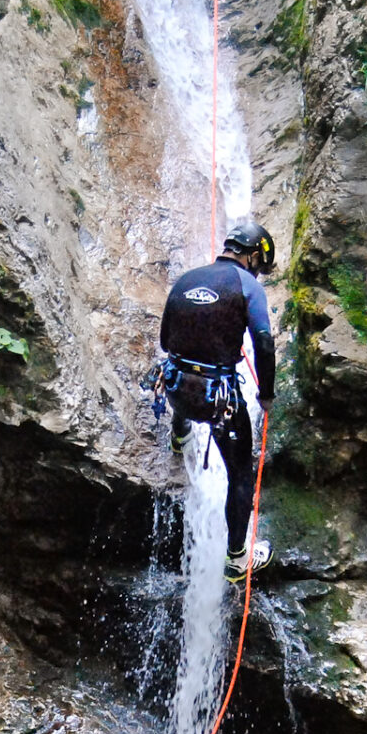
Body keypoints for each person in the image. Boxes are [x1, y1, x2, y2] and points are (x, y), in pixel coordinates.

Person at [157, 220, 278, 582]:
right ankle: (237, 559)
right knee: (241, 472)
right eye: (260, 263)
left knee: (179, 377)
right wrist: (266, 394)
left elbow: (166, 341)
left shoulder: (185, 279)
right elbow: (264, 343)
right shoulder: (247, 286)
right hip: (218, 402)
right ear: (254, 255)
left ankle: (179, 437)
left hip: (178, 391)